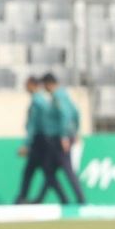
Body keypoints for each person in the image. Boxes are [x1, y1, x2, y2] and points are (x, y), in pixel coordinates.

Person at [40, 72, 85, 205]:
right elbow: (76, 113)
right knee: (50, 170)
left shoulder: (58, 96)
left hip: (59, 140)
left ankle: (79, 199)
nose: (44, 89)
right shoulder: (65, 94)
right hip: (62, 137)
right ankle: (69, 199)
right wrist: (75, 131)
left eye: (45, 85)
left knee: (65, 170)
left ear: (49, 84)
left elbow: (65, 115)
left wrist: (64, 136)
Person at [13, 74, 50, 205]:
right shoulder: (43, 100)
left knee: (35, 172)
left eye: (27, 85)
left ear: (32, 85)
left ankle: (25, 197)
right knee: (41, 172)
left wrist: (26, 144)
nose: (25, 88)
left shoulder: (37, 102)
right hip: (43, 141)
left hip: (38, 142)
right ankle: (29, 197)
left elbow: (33, 126)